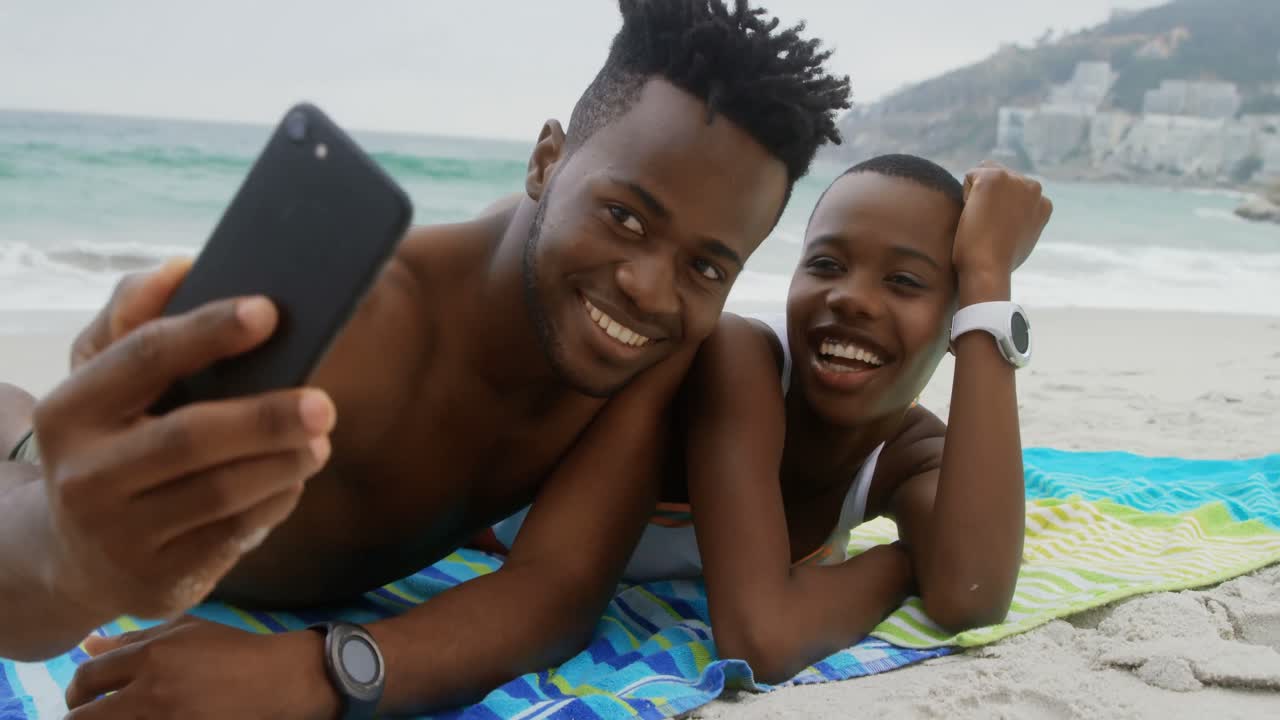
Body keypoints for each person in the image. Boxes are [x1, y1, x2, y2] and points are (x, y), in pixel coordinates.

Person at [0, 1, 851, 716]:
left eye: (707, 265)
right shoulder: (365, 321)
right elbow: (58, 531)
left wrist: (318, 672)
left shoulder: (649, 346)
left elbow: (554, 592)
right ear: (546, 159)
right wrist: (68, 558)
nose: (650, 287)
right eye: (625, 216)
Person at [489, 154, 1051, 684]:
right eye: (826, 264)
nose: (852, 299)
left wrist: (986, 276)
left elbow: (972, 597)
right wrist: (902, 565)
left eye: (904, 281)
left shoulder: (910, 457)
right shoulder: (738, 357)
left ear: (958, 323)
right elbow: (762, 638)